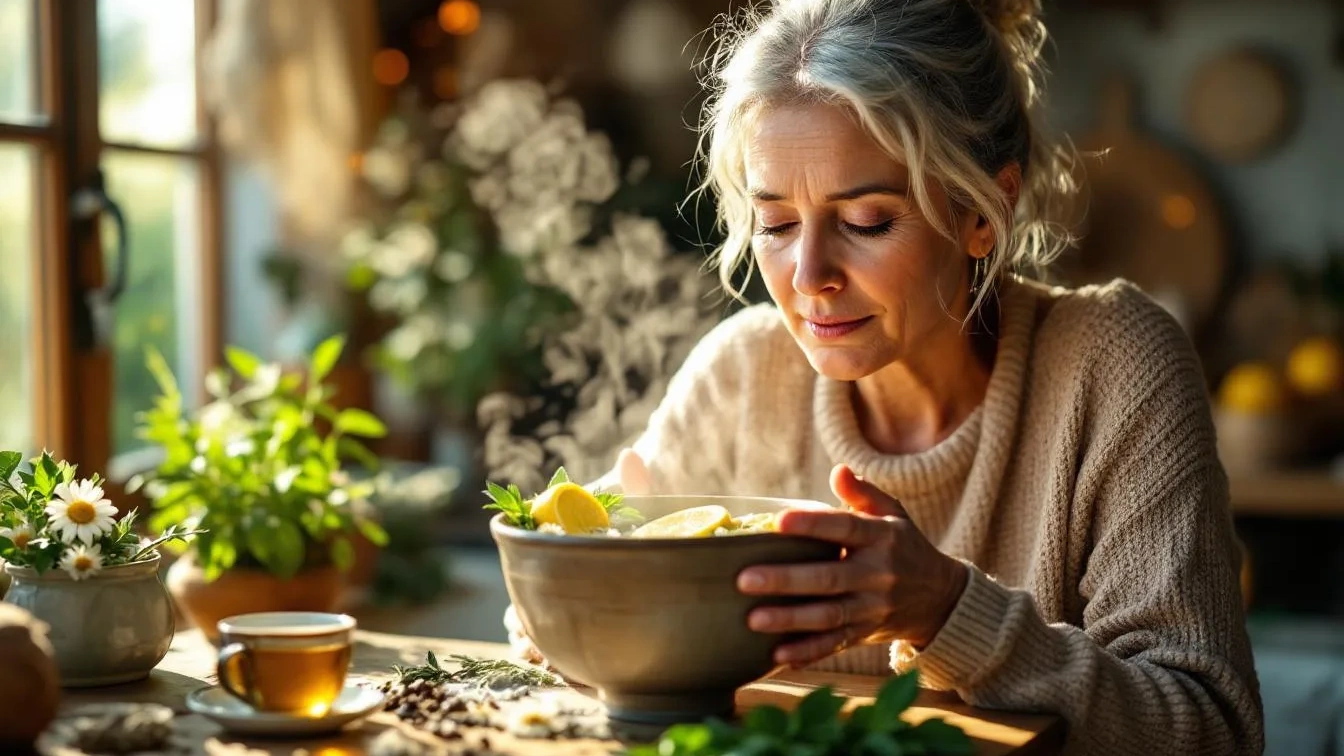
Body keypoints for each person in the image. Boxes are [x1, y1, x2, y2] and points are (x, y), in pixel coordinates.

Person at [504, 0, 1263, 752]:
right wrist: (570, 594)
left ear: (982, 211)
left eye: (866, 221)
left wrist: (946, 610)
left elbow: (1210, 730)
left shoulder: (1112, 366)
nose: (808, 276)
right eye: (775, 224)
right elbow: (579, 618)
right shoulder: (742, 374)